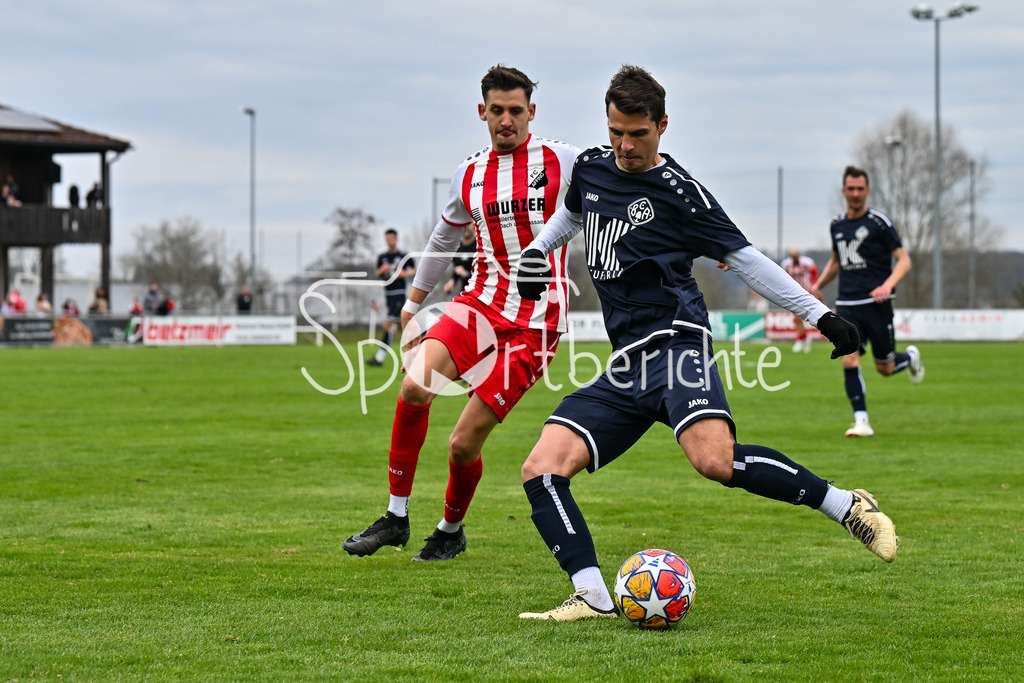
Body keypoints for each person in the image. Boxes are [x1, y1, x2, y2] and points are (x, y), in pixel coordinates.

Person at [513, 65, 898, 622]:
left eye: (638, 134)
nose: (625, 146)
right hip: (626, 362)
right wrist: (537, 252)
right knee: (541, 469)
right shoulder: (592, 168)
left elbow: (746, 262)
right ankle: (593, 594)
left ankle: (848, 507)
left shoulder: (682, 195)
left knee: (714, 461)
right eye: (616, 131)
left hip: (677, 345)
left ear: (663, 125)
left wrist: (821, 315)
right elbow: (570, 216)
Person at [343, 64, 580, 562]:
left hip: (535, 326)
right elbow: (442, 238)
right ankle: (395, 516)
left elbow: (626, 178)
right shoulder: (468, 173)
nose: (507, 120)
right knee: (413, 387)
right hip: (477, 304)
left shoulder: (564, 160)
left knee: (461, 444)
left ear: (531, 112)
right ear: (482, 112)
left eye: (517, 110)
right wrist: (413, 302)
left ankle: (450, 529)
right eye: (498, 111)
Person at [810, 166, 923, 438]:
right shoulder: (837, 226)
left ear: (867, 191)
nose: (856, 194)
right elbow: (838, 262)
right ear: (844, 191)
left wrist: (887, 284)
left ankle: (910, 358)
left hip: (877, 305)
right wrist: (816, 286)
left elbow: (904, 260)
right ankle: (862, 421)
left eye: (861, 189)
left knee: (884, 367)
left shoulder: (879, 223)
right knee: (849, 359)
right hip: (848, 304)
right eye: (851, 189)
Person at [367, 229, 416, 366]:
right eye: (387, 238)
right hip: (388, 294)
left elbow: (416, 270)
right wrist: (381, 271)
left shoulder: (403, 256)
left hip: (399, 293)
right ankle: (418, 352)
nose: (390, 241)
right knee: (404, 326)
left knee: (388, 325)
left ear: (396, 239)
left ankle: (380, 358)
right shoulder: (382, 257)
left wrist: (404, 274)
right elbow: (377, 274)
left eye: (392, 238)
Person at [781, 248, 820, 352]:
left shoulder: (807, 262)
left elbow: (814, 273)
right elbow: (783, 276)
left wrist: (813, 285)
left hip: (807, 292)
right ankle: (802, 338)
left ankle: (803, 338)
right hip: (794, 293)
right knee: (797, 318)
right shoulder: (786, 264)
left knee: (807, 316)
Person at [443, 225, 476, 299]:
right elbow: (458, 269)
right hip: (464, 291)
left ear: (474, 225)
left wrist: (466, 274)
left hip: (478, 292)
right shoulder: (457, 247)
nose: (467, 227)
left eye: (469, 224)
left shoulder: (479, 246)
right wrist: (452, 280)